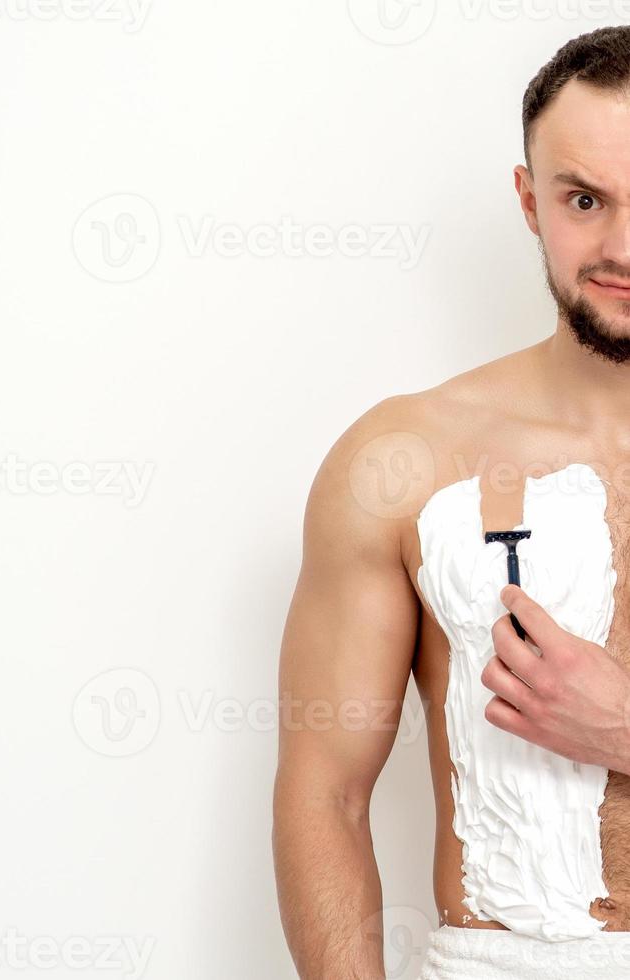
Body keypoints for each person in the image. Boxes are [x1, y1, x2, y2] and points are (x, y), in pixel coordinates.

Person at [272, 25, 630, 980]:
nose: (621, 248)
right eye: (585, 199)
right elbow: (327, 796)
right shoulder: (405, 460)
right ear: (529, 201)